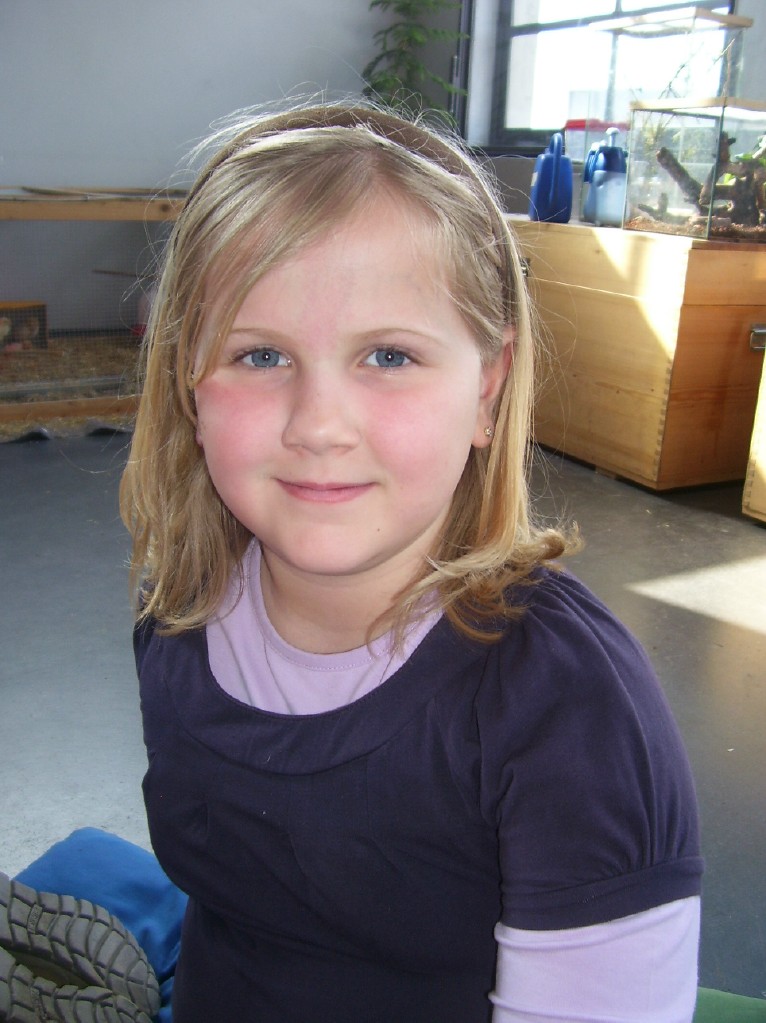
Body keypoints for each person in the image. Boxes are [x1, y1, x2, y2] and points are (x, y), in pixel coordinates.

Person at [117, 101, 704, 1023]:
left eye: (388, 355)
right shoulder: (180, 611)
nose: (319, 424)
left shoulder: (570, 705)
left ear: (488, 389)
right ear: (189, 382)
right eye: (260, 354)